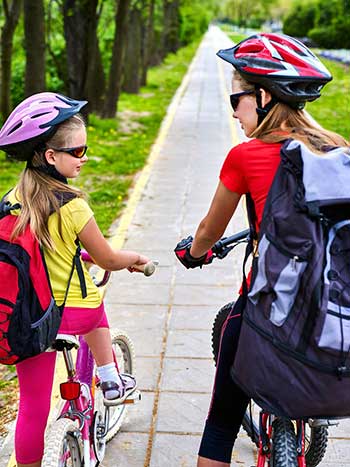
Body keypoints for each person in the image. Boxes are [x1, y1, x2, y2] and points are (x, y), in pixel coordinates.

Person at [174, 33, 349, 466]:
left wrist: (193, 253)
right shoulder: (338, 149)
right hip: (331, 313)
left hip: (264, 312)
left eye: (237, 100)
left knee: (219, 426)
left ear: (264, 96)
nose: (233, 111)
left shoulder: (246, 156)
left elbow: (208, 232)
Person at [0, 92, 150, 467]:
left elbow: (40, 250)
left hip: (31, 319)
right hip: (73, 314)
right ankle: (111, 377)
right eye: (78, 151)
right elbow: (106, 258)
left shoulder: (14, 199)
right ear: (51, 156)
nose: (84, 159)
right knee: (96, 310)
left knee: (32, 408)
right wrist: (132, 260)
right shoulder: (73, 205)